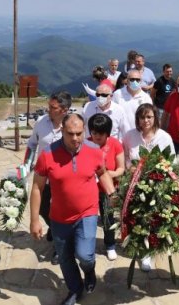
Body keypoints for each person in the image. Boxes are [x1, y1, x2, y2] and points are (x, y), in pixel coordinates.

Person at [30, 114, 117, 305]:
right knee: (65, 258)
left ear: (84, 130)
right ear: (62, 130)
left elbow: (102, 173)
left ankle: (89, 271)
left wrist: (112, 194)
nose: (75, 138)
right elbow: (37, 187)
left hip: (87, 212)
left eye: (79, 133)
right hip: (59, 217)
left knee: (85, 255)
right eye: (70, 133)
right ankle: (75, 290)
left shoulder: (94, 151)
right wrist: (34, 220)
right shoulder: (47, 155)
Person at [122, 103, 175, 271]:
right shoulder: (130, 136)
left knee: (153, 218)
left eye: (149, 117)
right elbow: (124, 157)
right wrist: (129, 169)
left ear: (155, 118)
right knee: (137, 218)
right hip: (134, 183)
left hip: (157, 185)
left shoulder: (164, 137)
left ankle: (149, 252)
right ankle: (139, 244)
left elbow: (171, 162)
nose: (145, 120)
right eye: (142, 117)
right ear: (137, 119)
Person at [25, 91, 72, 265]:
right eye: (49, 106)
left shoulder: (72, 125)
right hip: (44, 177)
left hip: (65, 178)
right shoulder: (40, 123)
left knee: (61, 213)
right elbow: (32, 144)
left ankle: (60, 249)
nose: (48, 110)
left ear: (64, 110)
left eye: (53, 107)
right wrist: (26, 165)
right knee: (44, 208)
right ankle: (54, 229)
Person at [87, 113, 124, 261]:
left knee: (108, 218)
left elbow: (121, 168)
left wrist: (110, 174)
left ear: (107, 132)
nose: (96, 136)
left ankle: (110, 245)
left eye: (100, 133)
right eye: (94, 132)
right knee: (88, 219)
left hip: (108, 189)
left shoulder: (115, 144)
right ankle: (87, 244)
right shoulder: (86, 144)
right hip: (90, 189)